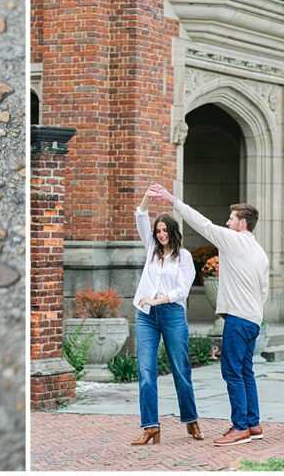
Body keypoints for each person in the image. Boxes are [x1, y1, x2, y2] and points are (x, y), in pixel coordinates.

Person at [149, 184, 269, 447]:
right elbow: (264, 290)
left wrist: (173, 201)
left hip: (238, 319)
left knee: (232, 372)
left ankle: (240, 428)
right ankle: (253, 424)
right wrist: (255, 315)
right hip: (252, 319)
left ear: (242, 224)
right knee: (246, 371)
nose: (226, 223)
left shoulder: (234, 240)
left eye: (231, 219)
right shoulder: (260, 251)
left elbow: (202, 224)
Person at [130, 187, 202, 445]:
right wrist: (148, 195)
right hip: (146, 316)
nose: (161, 235)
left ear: (173, 233)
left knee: (181, 370)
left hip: (172, 314)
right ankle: (150, 427)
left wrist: (158, 299)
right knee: (146, 372)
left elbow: (182, 290)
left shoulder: (184, 257)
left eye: (165, 231)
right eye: (158, 231)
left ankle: (191, 419)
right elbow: (140, 214)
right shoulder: (151, 249)